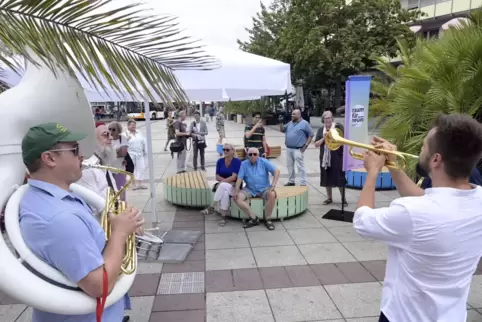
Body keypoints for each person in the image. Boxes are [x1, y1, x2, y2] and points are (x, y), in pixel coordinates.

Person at [354, 113, 482, 322]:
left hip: (403, 316)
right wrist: (392, 164)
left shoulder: (412, 212)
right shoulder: (477, 199)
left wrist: (372, 172)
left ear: (436, 159)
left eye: (424, 146)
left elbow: (361, 221)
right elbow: (430, 202)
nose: (420, 150)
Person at [19, 122, 144, 322]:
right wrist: (120, 233)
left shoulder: (52, 197)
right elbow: (99, 285)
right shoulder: (59, 219)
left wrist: (115, 222)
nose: (82, 156)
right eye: (74, 150)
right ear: (49, 158)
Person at [234, 147, 280, 230]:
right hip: (250, 189)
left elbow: (276, 171)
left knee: (272, 194)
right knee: (237, 197)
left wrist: (273, 186)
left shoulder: (263, 161)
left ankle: (268, 219)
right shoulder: (244, 164)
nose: (252, 156)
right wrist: (236, 191)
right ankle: (254, 218)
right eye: (250, 154)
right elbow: (239, 179)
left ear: (258, 155)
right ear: (248, 155)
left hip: (264, 188)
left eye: (255, 154)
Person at [200, 143, 241, 226]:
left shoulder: (237, 161)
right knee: (225, 193)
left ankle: (212, 207)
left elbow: (234, 177)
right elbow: (217, 176)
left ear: (233, 151)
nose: (225, 151)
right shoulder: (220, 161)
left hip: (235, 186)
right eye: (224, 149)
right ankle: (223, 218)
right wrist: (224, 182)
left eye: (227, 150)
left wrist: (222, 182)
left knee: (222, 186)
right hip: (225, 186)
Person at [77, 125, 118, 208]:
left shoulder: (103, 162)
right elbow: (94, 206)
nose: (111, 138)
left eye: (110, 134)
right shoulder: (87, 167)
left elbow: (113, 192)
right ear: (92, 140)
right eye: (105, 134)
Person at [314, 110, 347, 206]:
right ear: (323, 120)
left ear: (332, 118)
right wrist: (324, 138)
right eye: (326, 118)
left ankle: (343, 198)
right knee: (326, 177)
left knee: (340, 177)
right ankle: (329, 198)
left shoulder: (338, 127)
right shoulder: (321, 130)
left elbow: (344, 140)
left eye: (330, 117)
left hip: (337, 156)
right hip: (325, 158)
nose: (328, 120)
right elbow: (316, 144)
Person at [279, 109, 314, 186]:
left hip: (298, 149)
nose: (292, 115)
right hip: (288, 148)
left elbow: (311, 134)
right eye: (292, 114)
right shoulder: (290, 123)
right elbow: (282, 130)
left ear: (299, 115)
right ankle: (291, 181)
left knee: (300, 167)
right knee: (290, 166)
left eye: (294, 114)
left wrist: (306, 145)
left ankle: (303, 182)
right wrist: (280, 122)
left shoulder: (304, 123)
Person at [108, 121, 129, 201]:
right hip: (109, 169)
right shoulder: (107, 139)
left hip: (120, 168)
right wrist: (117, 151)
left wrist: (111, 152)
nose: (111, 132)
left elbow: (123, 152)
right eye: (109, 129)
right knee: (111, 191)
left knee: (121, 190)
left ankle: (122, 208)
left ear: (118, 130)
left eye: (114, 130)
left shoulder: (122, 138)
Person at [125, 119, 147, 189]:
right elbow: (123, 145)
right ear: (128, 126)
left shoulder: (139, 132)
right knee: (132, 169)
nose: (134, 127)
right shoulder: (125, 134)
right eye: (132, 125)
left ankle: (139, 184)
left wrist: (144, 150)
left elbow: (143, 141)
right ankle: (133, 184)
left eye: (134, 125)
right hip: (131, 154)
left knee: (141, 168)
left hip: (140, 153)